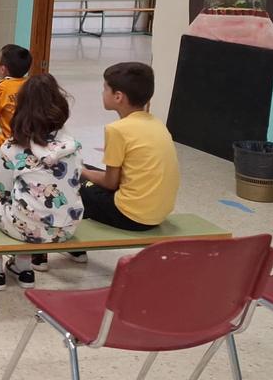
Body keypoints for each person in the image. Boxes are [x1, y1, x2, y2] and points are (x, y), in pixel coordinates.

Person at [41, 62, 180, 270]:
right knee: (84, 172)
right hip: (158, 212)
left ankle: (53, 249)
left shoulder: (118, 129)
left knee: (66, 179)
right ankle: (76, 247)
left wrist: (80, 171)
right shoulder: (157, 123)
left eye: (105, 88)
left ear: (118, 96)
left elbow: (110, 183)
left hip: (131, 215)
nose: (102, 92)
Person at [0, 74, 84, 291]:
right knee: (30, 205)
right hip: (67, 228)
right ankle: (23, 268)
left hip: (28, 229)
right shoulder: (71, 146)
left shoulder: (14, 147)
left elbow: (1, 191)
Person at [0, 44, 32, 149]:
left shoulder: (1, 86)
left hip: (8, 142)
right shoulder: (30, 82)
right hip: (30, 140)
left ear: (3, 69)